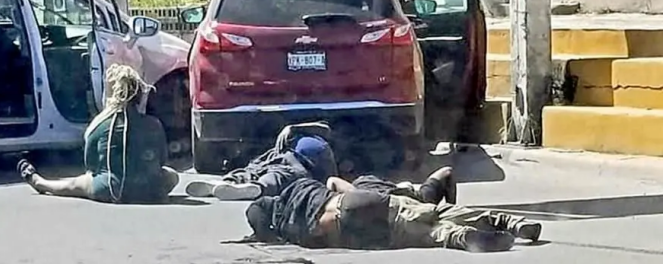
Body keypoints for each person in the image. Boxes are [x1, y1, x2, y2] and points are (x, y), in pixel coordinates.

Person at [235, 177, 542, 252]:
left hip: (341, 230)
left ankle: (463, 238)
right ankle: (511, 222)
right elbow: (335, 184)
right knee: (435, 211)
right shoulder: (298, 189)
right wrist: (356, 193)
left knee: (425, 234)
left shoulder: (290, 230)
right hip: (350, 202)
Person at [16, 64, 181, 204]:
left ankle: (42, 183)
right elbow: (161, 160)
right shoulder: (154, 124)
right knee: (172, 175)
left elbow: (91, 165)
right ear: (139, 96)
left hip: (109, 189)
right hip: (152, 192)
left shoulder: (99, 125)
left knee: (79, 182)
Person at [186, 121, 337, 201]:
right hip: (284, 151)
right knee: (257, 167)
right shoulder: (307, 132)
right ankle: (230, 182)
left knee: (280, 174)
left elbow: (325, 129)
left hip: (309, 162)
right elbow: (322, 127)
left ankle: (254, 187)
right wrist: (293, 128)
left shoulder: (328, 145)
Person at [327, 166, 457, 205]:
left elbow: (332, 181)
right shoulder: (358, 188)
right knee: (447, 171)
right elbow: (332, 180)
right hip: (414, 202)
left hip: (395, 200)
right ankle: (450, 210)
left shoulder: (356, 189)